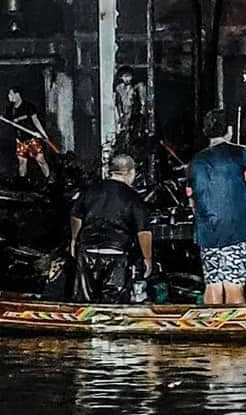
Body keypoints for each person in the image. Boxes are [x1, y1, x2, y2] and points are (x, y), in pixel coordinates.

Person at [188, 109, 246, 305]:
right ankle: (233, 324)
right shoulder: (241, 154)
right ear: (229, 130)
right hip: (237, 230)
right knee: (234, 284)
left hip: (208, 233)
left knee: (213, 284)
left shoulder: (194, 162)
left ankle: (212, 323)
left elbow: (192, 201)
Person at [70, 154, 152, 303]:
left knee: (85, 304)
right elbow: (143, 232)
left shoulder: (91, 190)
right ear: (131, 172)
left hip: (88, 250)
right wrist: (147, 258)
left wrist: (74, 239)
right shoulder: (133, 197)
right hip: (117, 252)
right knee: (113, 305)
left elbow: (76, 216)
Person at [5, 87, 50, 179]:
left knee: (41, 161)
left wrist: (44, 134)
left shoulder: (28, 106)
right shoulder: (10, 109)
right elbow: (6, 120)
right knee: (22, 163)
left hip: (31, 139)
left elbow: (36, 121)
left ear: (17, 94)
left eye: (11, 94)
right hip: (20, 141)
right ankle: (22, 182)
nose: (9, 96)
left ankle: (49, 180)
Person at [114, 66, 146, 152]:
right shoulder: (119, 88)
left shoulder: (136, 87)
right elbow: (118, 103)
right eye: (125, 76)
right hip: (124, 113)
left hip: (134, 113)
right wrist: (120, 114)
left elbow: (141, 101)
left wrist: (142, 108)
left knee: (135, 132)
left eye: (129, 76)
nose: (127, 79)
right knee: (123, 132)